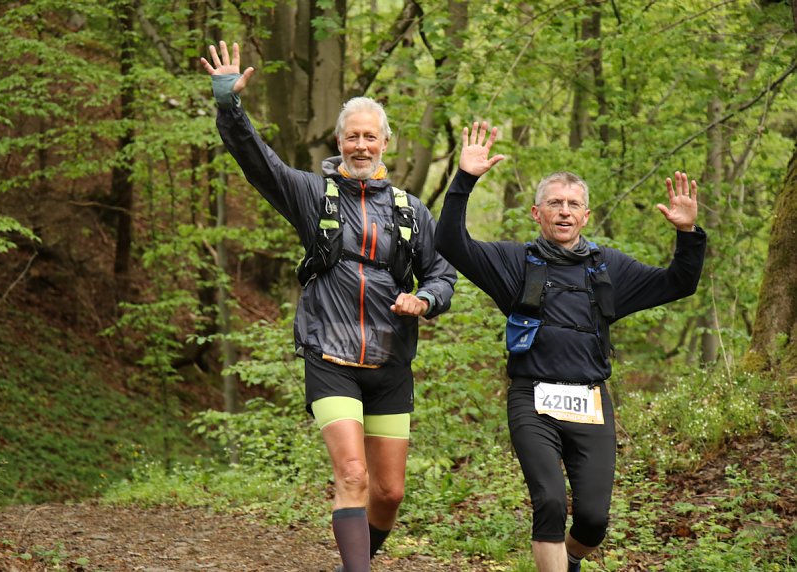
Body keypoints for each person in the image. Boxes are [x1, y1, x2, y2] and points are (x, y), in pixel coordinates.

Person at [201, 42, 456, 572]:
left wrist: (425, 298)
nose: (361, 145)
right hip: (329, 355)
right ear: (339, 141)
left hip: (390, 364)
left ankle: (353, 562)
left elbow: (442, 274)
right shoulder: (315, 196)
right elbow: (261, 165)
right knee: (354, 477)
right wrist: (230, 107)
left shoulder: (412, 211)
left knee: (388, 493)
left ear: (386, 143)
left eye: (371, 136)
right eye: (352, 136)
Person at [435, 122, 706, 572]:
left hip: (592, 402)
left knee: (594, 520)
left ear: (586, 215)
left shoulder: (609, 267)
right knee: (550, 502)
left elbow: (679, 283)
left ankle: (571, 561)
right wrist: (464, 180)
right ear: (535, 213)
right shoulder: (512, 262)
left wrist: (687, 234)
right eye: (554, 204)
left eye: (573, 205)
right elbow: (450, 242)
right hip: (532, 399)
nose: (564, 211)